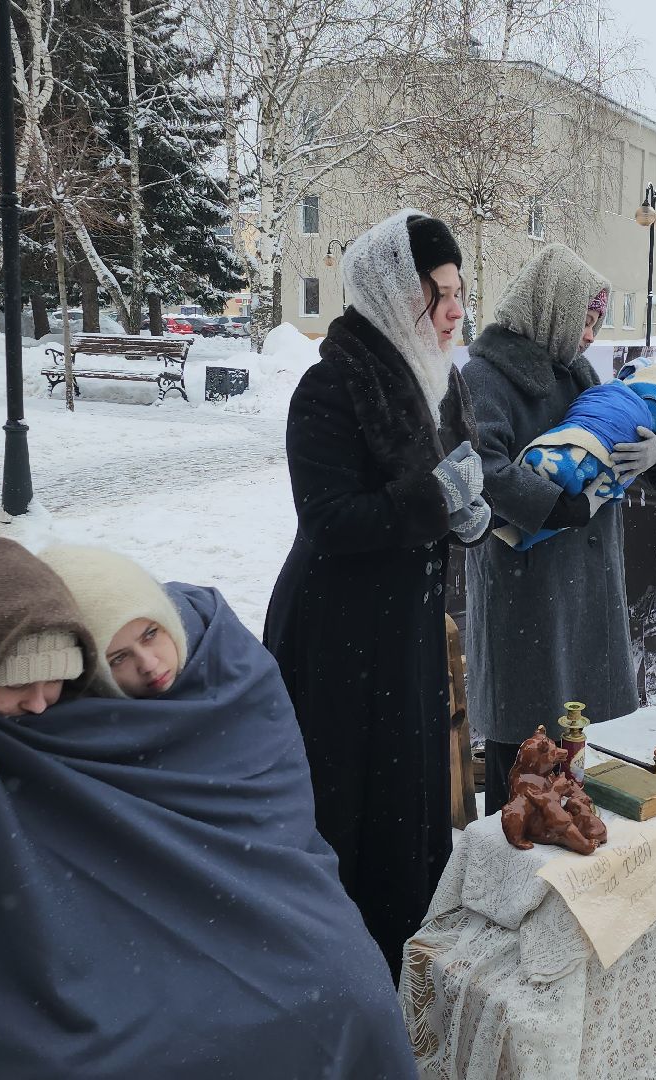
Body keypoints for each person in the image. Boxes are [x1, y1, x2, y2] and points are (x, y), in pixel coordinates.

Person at [0, 538, 415, 1079]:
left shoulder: (223, 674)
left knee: (350, 988)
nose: (37, 705)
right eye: (118, 655)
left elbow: (271, 813)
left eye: (151, 635)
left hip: (259, 906)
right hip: (102, 955)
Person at [263, 209, 486, 978]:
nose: (457, 309)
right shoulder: (331, 388)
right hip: (337, 642)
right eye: (441, 292)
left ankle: (403, 966)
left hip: (406, 636)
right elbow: (329, 522)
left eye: (460, 291)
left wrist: (467, 515)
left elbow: (448, 491)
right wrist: (434, 500)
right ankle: (342, 982)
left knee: (411, 806)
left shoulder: (438, 381)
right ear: (396, 291)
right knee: (346, 813)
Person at [463, 243, 656, 815]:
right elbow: (477, 468)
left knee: (569, 733)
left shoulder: (575, 368)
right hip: (525, 583)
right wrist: (553, 507)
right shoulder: (485, 376)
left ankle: (566, 833)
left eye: (597, 322)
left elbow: (609, 437)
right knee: (522, 739)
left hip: (577, 579)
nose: (590, 334)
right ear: (551, 308)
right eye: (583, 319)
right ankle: (512, 860)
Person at [38, 545, 193, 698]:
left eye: (151, 634)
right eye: (119, 659)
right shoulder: (73, 718)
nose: (149, 665)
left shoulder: (212, 635)